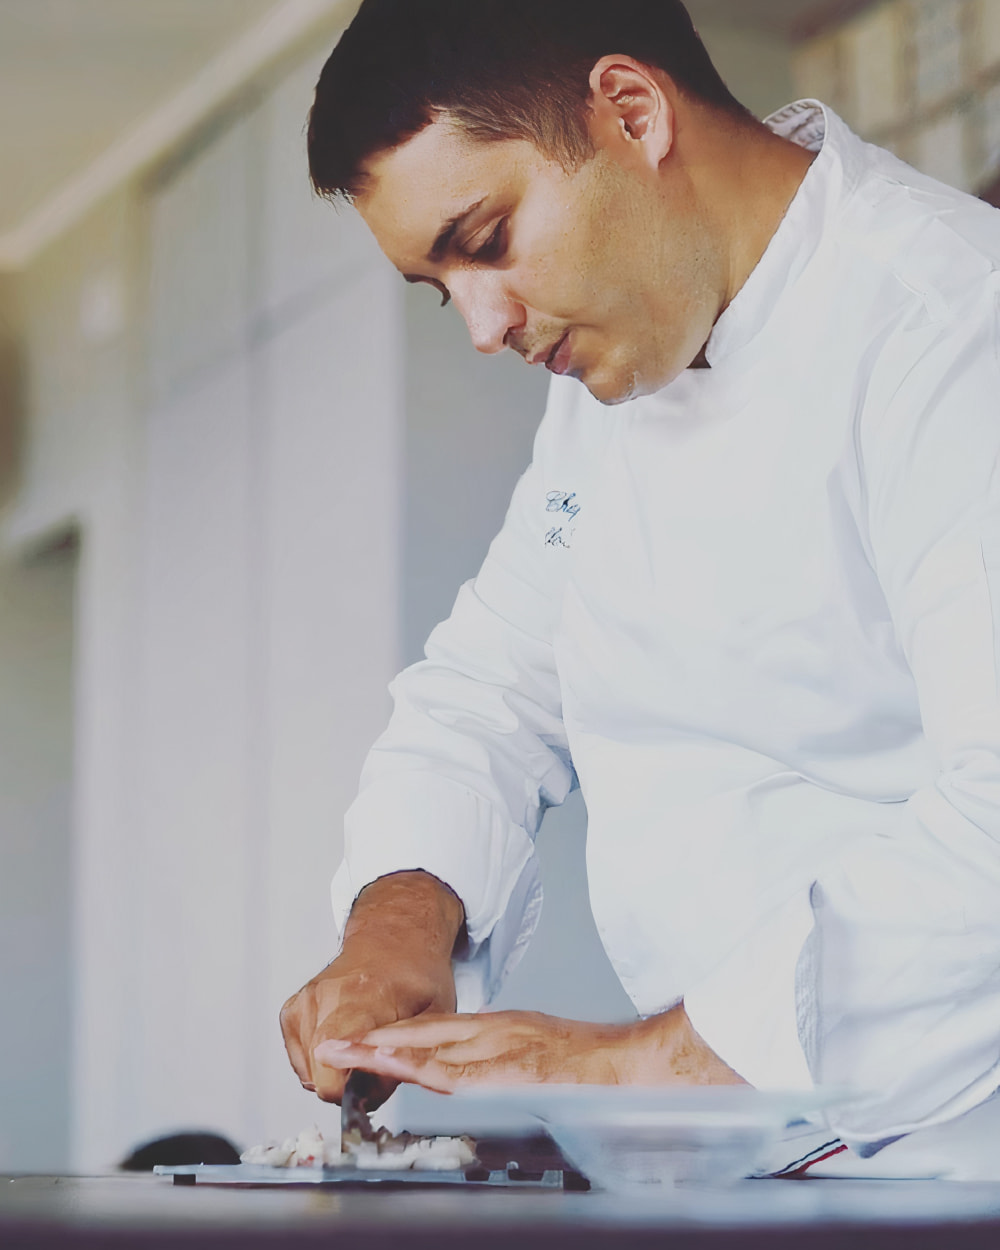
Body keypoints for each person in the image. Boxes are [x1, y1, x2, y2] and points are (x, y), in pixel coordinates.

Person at [280, 0, 1000, 1174]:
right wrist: (395, 924)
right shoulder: (627, 365)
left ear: (632, 111)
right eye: (437, 284)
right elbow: (494, 686)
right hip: (748, 1160)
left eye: (487, 237)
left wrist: (633, 1065)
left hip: (957, 1154)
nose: (482, 324)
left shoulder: (952, 323)